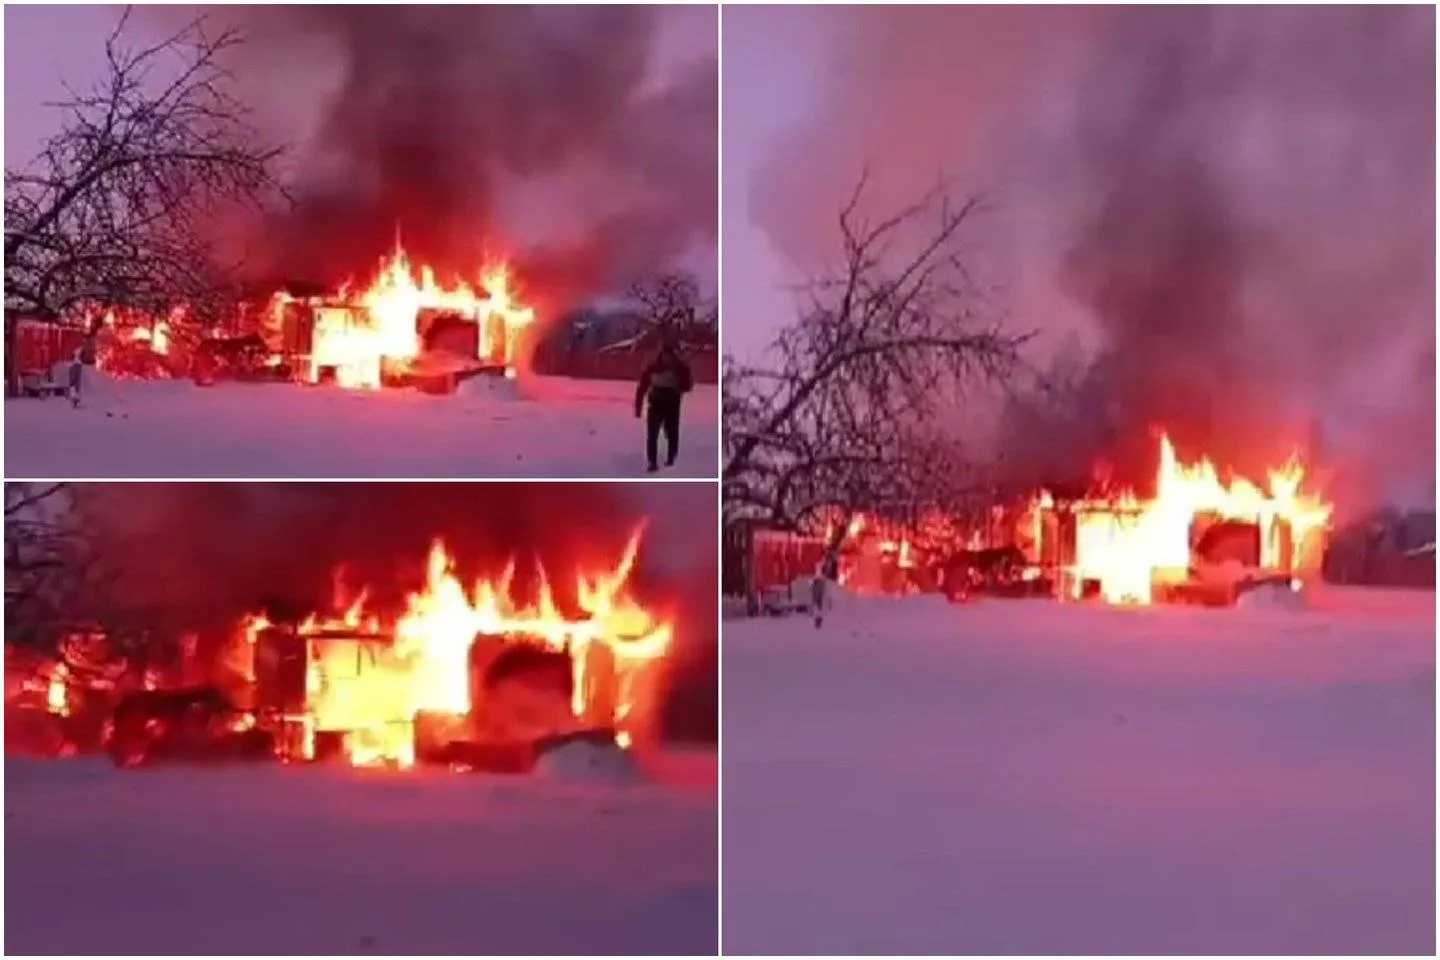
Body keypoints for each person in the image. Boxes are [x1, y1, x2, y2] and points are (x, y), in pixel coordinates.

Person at [634, 336, 694, 472]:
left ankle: (671, 459)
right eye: (665, 354)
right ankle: (653, 462)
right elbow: (642, 386)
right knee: (653, 433)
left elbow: (688, 385)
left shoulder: (679, 367)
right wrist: (638, 407)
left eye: (669, 354)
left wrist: (680, 381)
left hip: (672, 403)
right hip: (657, 402)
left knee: (671, 433)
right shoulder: (654, 366)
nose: (667, 357)